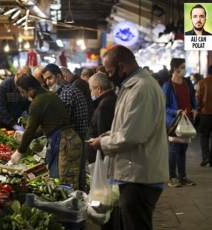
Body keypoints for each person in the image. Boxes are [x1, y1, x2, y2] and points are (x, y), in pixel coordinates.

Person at [89, 45, 169, 230]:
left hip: (140, 174)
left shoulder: (141, 89)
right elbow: (131, 125)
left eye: (110, 71)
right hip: (134, 172)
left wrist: (103, 142)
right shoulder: (132, 86)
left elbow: (133, 135)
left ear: (122, 67)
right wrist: (110, 134)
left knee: (136, 225)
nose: (108, 76)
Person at [8, 74, 83, 189]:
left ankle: (65, 206)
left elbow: (30, 129)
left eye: (23, 92)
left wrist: (19, 152)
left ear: (31, 89)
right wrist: (26, 136)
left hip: (62, 143)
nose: (22, 96)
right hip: (71, 139)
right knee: (68, 180)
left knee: (62, 183)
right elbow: (45, 125)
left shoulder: (37, 102)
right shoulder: (50, 95)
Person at [42, 63, 90, 191]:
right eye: (45, 79)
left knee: (67, 182)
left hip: (70, 144)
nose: (48, 82)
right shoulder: (68, 91)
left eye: (50, 78)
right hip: (74, 143)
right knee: (76, 178)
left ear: (59, 76)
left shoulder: (66, 93)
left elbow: (58, 123)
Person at [162, 58, 197, 187]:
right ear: (175, 69)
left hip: (187, 121)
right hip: (174, 123)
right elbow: (163, 107)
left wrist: (195, 108)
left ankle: (182, 176)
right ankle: (172, 177)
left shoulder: (187, 83)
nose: (184, 69)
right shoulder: (168, 86)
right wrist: (175, 112)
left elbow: (192, 98)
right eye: (182, 67)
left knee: (183, 149)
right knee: (174, 150)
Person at [84, 72, 116, 164]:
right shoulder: (110, 99)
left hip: (101, 160)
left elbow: (103, 133)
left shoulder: (105, 105)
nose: (90, 93)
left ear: (98, 89)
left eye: (91, 90)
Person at [0, 66, 31, 131]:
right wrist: (14, 125)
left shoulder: (22, 86)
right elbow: (1, 109)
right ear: (17, 75)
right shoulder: (5, 86)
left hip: (10, 123)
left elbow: (25, 105)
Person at [196, 65, 212, 166]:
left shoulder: (202, 82)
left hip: (205, 113)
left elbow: (198, 97)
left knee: (204, 136)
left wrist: (199, 108)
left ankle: (206, 158)